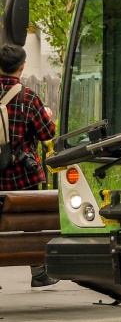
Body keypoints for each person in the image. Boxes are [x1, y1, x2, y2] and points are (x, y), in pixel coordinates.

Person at [0, 44, 58, 288]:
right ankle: (39, 273)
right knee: (32, 224)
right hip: (22, 175)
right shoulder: (28, 97)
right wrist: (49, 114)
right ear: (21, 67)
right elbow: (47, 134)